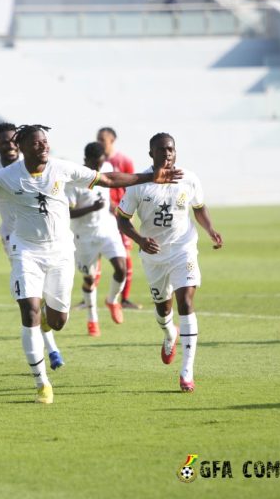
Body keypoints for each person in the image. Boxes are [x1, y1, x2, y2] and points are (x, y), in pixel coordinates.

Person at [0, 124, 182, 404]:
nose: (43, 146)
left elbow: (107, 179)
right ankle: (41, 382)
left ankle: (47, 322)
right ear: (22, 147)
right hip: (25, 251)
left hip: (62, 252)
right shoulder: (6, 176)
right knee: (28, 310)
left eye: (45, 142)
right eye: (36, 142)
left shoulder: (61, 167)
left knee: (58, 321)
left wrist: (148, 177)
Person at [116, 133, 223, 393]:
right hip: (153, 254)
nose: (168, 154)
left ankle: (187, 371)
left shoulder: (188, 178)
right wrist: (140, 240)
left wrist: (210, 229)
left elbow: (199, 207)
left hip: (183, 249)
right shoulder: (139, 184)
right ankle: (169, 334)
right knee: (164, 310)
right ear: (151, 153)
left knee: (186, 301)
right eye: (162, 150)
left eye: (171, 149)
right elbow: (122, 219)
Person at [0, 122, 65, 370]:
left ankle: (50, 336)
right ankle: (52, 350)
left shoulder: (32, 166)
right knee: (30, 301)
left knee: (45, 297)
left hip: (44, 239)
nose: (10, 145)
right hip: (14, 240)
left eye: (14, 141)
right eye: (5, 141)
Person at [66, 142, 126, 337]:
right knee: (89, 279)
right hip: (84, 236)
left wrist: (113, 207)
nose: (99, 169)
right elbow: (68, 212)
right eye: (95, 165)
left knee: (121, 268)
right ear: (86, 161)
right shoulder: (74, 180)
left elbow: (109, 194)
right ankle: (92, 319)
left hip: (107, 230)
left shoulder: (107, 169)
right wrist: (92, 208)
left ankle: (112, 300)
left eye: (101, 164)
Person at [97, 127, 142, 309]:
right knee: (94, 253)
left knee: (124, 255)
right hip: (101, 215)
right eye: (98, 139)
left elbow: (132, 186)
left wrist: (126, 211)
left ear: (112, 140)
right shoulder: (96, 162)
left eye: (103, 140)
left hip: (120, 214)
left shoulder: (124, 161)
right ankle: (88, 298)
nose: (100, 143)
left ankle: (123, 298)